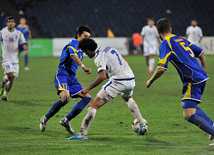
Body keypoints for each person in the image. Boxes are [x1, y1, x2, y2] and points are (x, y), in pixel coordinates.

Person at [146, 18, 214, 146]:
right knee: (191, 106)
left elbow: (161, 68)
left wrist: (151, 80)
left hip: (192, 79)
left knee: (188, 114)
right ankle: (211, 126)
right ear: (170, 29)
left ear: (157, 31)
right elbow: (202, 53)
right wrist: (204, 69)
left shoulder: (166, 43)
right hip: (200, 77)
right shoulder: (180, 39)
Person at [68, 38, 148, 140]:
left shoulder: (98, 56)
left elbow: (102, 76)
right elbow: (124, 61)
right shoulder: (108, 48)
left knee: (93, 105)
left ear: (88, 50)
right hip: (131, 79)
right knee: (127, 98)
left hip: (119, 81)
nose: (85, 54)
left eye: (84, 52)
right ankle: (142, 123)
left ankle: (82, 133)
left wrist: (88, 88)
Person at [40, 25, 93, 134]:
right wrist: (83, 67)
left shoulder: (82, 49)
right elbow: (73, 56)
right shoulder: (73, 43)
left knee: (87, 98)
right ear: (78, 35)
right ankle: (45, 118)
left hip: (72, 78)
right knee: (65, 98)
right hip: (63, 74)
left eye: (88, 37)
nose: (86, 39)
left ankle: (66, 120)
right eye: (85, 36)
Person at [0, 16, 27, 101]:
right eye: (9, 21)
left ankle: (5, 94)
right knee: (10, 74)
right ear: (7, 23)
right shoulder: (2, 32)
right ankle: (2, 85)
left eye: (12, 21)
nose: (10, 23)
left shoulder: (18, 33)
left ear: (14, 24)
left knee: (11, 78)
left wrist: (25, 45)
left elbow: (24, 42)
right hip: (5, 58)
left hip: (15, 59)